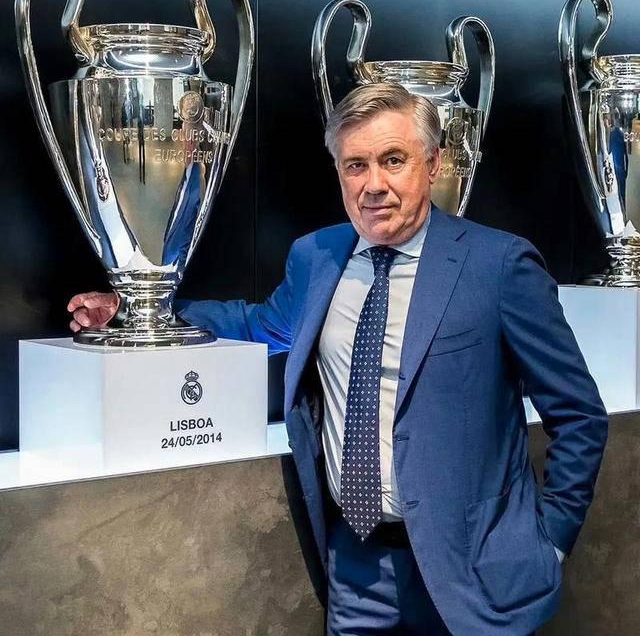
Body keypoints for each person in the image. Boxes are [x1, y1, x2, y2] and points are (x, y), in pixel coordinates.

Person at [68, 84, 608, 635]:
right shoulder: (317, 257)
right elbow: (261, 324)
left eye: (393, 160)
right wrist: (140, 309)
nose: (374, 184)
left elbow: (579, 414)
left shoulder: (499, 265)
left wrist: (550, 542)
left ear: (432, 163)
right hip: (357, 571)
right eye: (356, 165)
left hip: (480, 577)